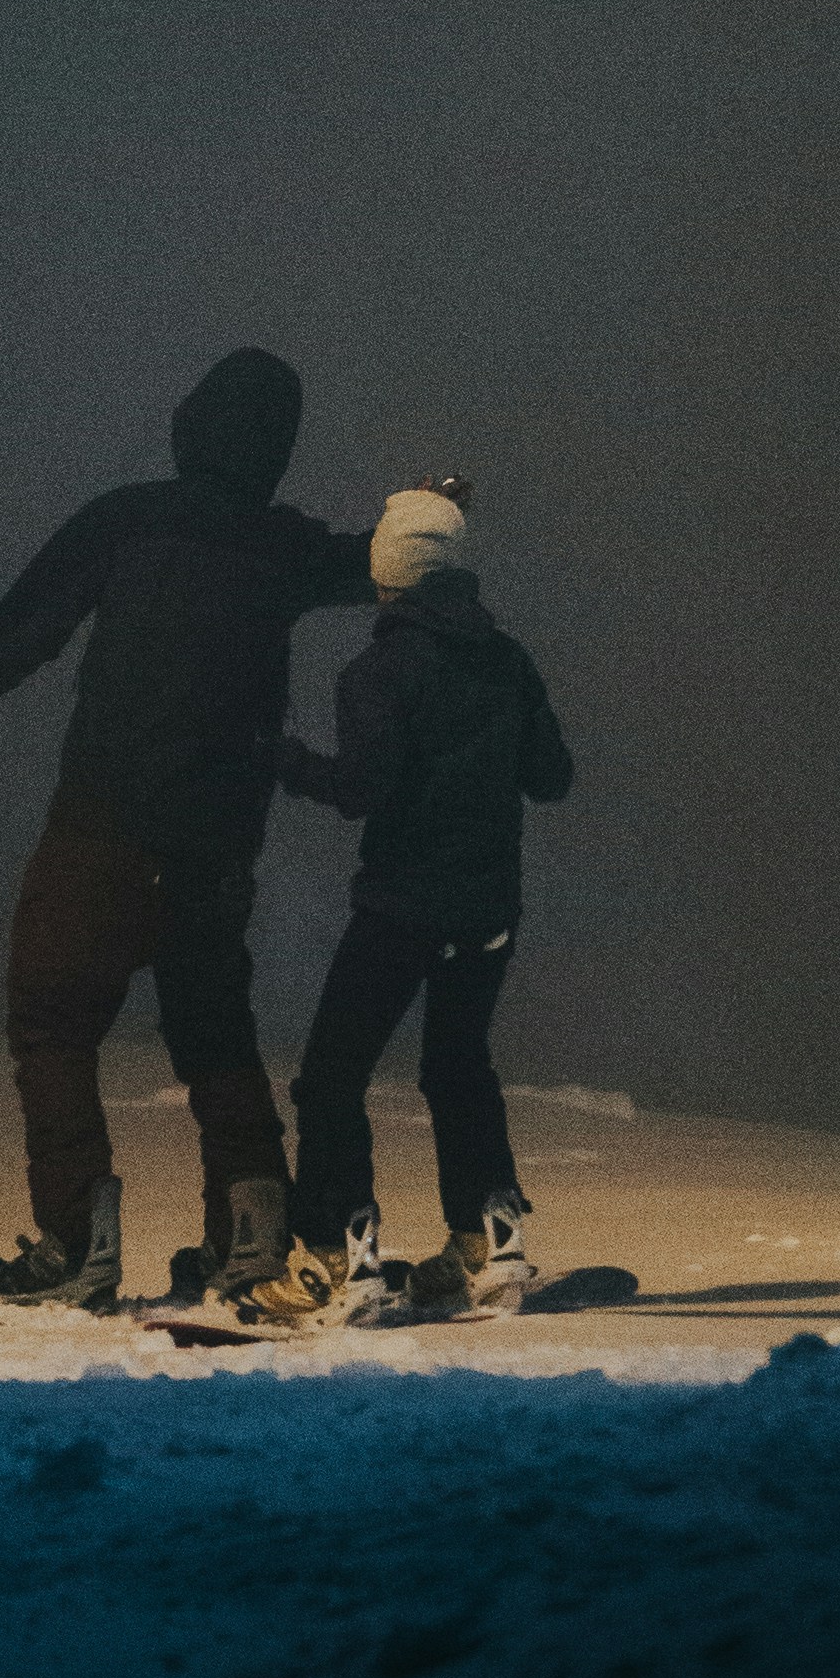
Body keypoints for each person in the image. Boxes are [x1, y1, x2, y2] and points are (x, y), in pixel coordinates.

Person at [0, 348, 406, 1313]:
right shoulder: (281, 543)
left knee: (52, 1017)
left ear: (190, 423)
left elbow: (32, 621)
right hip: (217, 844)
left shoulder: (128, 518)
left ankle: (79, 1238)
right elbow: (372, 560)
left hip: (105, 821)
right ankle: (253, 1236)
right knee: (213, 1028)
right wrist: (426, 515)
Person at [235, 478, 574, 1330]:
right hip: (491, 904)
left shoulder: (380, 669)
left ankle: (344, 1265)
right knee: (458, 1068)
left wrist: (278, 756)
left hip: (403, 905)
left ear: (388, 574)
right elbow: (552, 776)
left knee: (332, 1078)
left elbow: (359, 788)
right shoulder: (508, 657)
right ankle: (491, 1247)